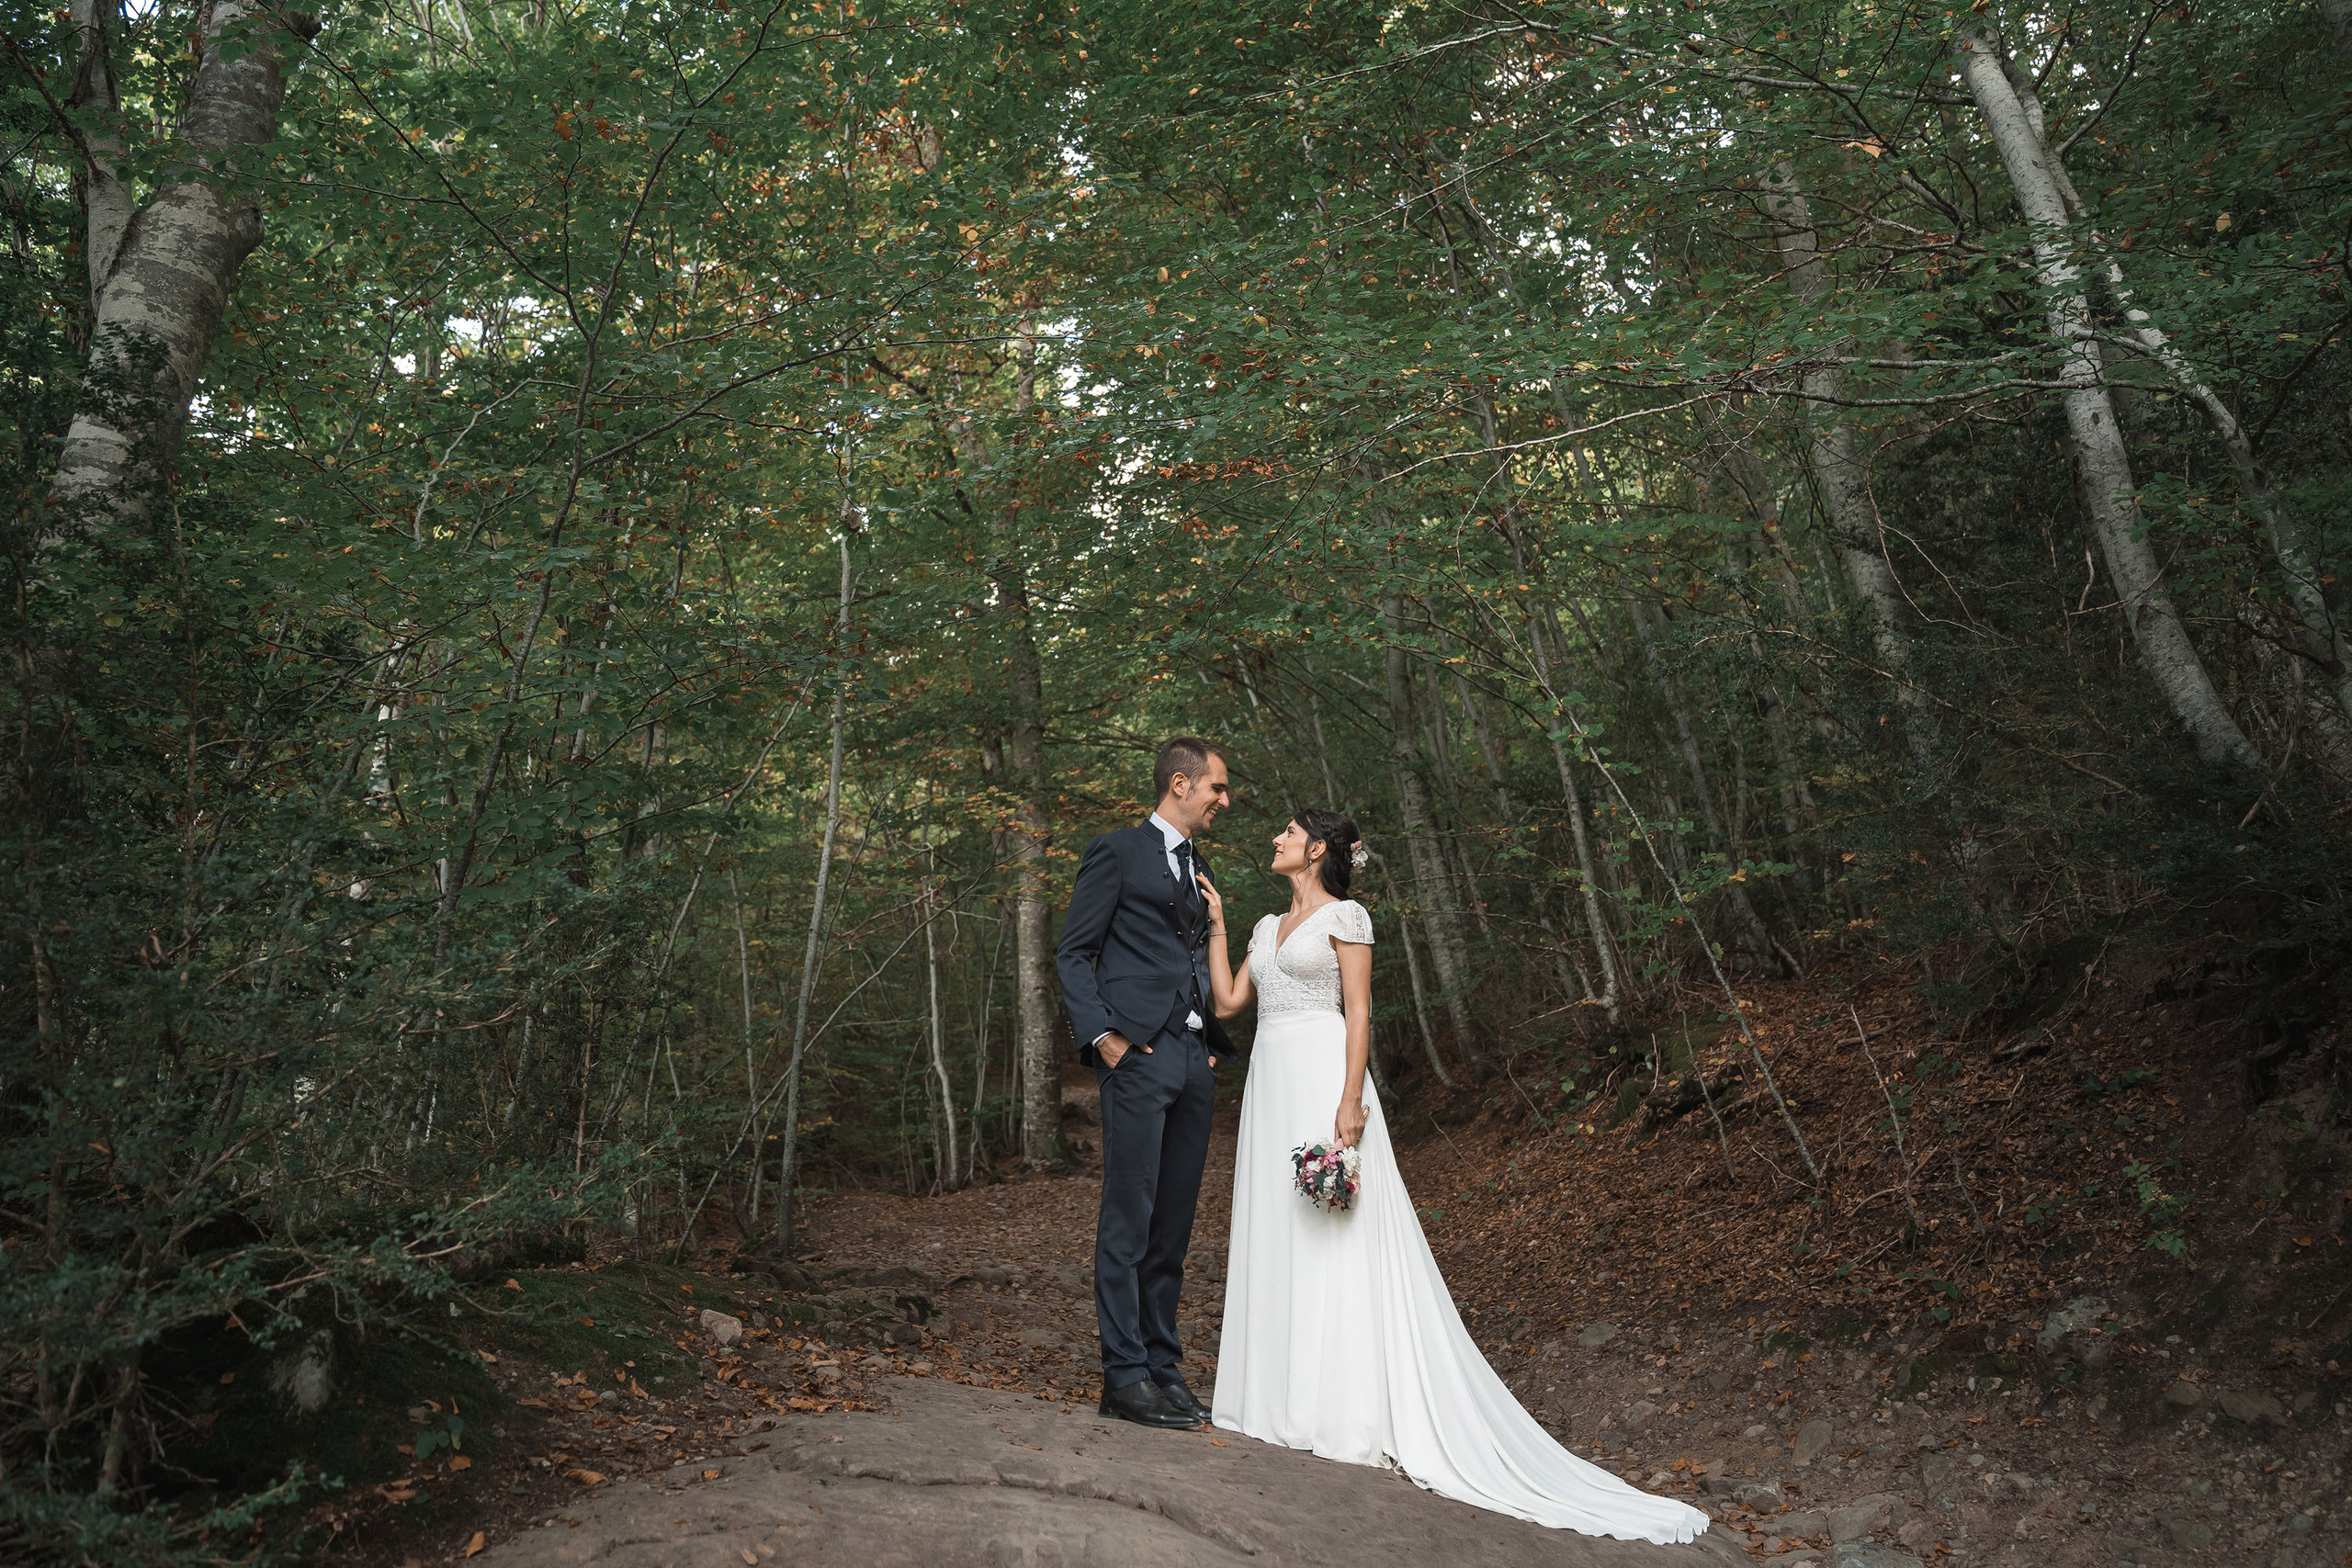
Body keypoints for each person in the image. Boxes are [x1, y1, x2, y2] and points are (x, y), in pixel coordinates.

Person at [1195, 809, 1709, 1544]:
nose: (1274, 838)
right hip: (1269, 1086)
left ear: (1315, 849)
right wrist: (1217, 922)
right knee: (1279, 1232)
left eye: (1287, 831)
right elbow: (1228, 1002)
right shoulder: (1265, 923)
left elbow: (1361, 1009)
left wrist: (1349, 1100)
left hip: (1321, 1076)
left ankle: (1338, 1405)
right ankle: (1274, 1399)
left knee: (1336, 1237)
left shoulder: (1349, 915)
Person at [1055, 737, 1233, 1429]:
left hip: (1191, 1060)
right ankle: (1122, 1375)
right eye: (1217, 787)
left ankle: (1163, 1367)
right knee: (1129, 1217)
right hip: (1135, 1056)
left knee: (1173, 1228)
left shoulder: (1200, 866)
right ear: (1181, 783)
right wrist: (1106, 1039)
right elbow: (1075, 950)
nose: (1225, 799)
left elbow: (1188, 957)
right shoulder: (1117, 850)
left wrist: (1203, 1042)